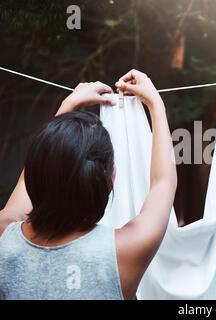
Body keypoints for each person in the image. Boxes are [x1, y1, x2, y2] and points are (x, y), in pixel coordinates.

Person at [0, 70, 177, 300]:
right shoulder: (123, 252)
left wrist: (69, 103)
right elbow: (163, 183)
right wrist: (155, 104)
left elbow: (34, 172)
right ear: (111, 178)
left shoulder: (4, 234)